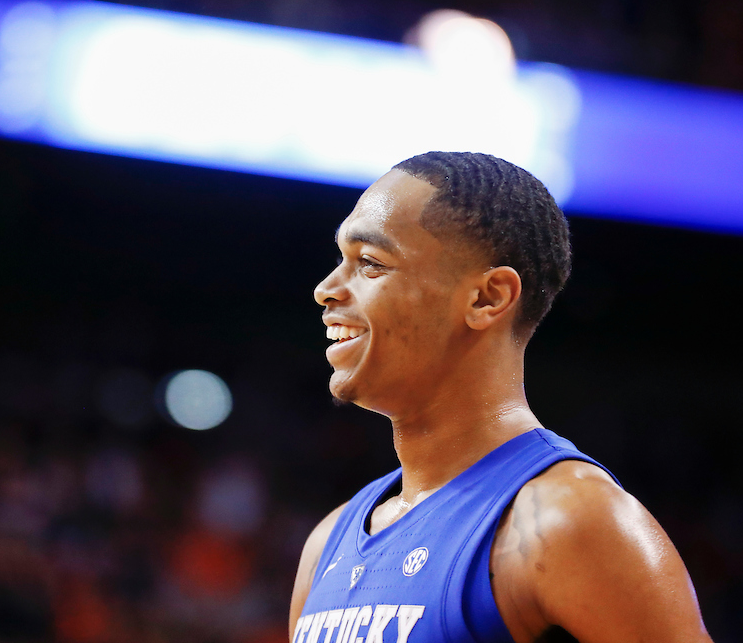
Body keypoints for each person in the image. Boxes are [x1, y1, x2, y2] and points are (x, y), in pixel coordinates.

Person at [290, 152, 711, 643]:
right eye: (340, 260)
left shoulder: (572, 520)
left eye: (370, 263)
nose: (326, 289)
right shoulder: (327, 543)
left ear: (487, 298)